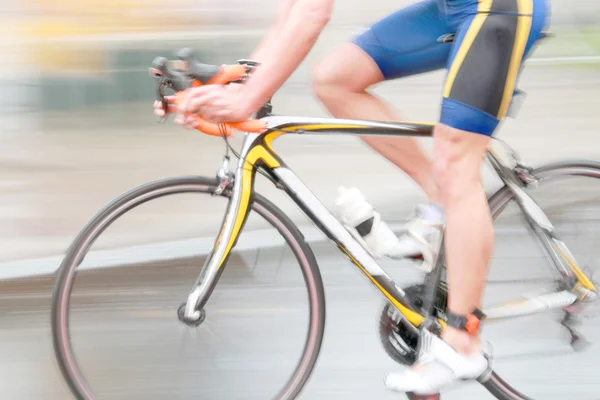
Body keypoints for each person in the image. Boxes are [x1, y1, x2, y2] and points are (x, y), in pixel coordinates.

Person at [155, 0, 550, 395]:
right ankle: (442, 205)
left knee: (456, 162)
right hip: (450, 8)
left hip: (499, 8)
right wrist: (242, 81)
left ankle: (464, 343)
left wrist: (245, 98)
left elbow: (314, 11)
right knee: (333, 79)